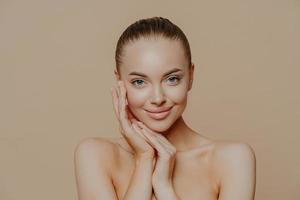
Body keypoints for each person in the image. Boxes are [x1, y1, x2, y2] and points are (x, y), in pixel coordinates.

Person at [74, 16, 256, 200]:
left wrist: (164, 187)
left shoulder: (233, 160)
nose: (158, 98)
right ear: (119, 80)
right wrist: (144, 160)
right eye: (139, 82)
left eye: (172, 79)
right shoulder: (96, 155)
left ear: (191, 76)